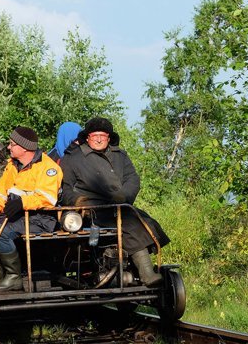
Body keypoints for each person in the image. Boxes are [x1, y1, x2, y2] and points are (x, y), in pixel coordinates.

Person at [60, 117, 169, 286]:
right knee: (128, 226)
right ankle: (142, 273)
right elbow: (64, 188)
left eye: (102, 136)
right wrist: (77, 201)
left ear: (109, 138)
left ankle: (144, 272)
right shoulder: (72, 158)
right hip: (89, 210)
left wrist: (124, 195)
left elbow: (133, 178)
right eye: (94, 135)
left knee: (142, 222)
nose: (98, 139)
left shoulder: (120, 155)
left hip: (119, 205)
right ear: (87, 137)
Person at [0, 127, 63, 292]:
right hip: (19, 216)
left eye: (12, 144)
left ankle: (13, 278)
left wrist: (21, 202)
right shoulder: (12, 166)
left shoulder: (48, 167)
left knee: (0, 232)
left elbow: (48, 198)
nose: (9, 148)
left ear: (24, 148)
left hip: (40, 218)